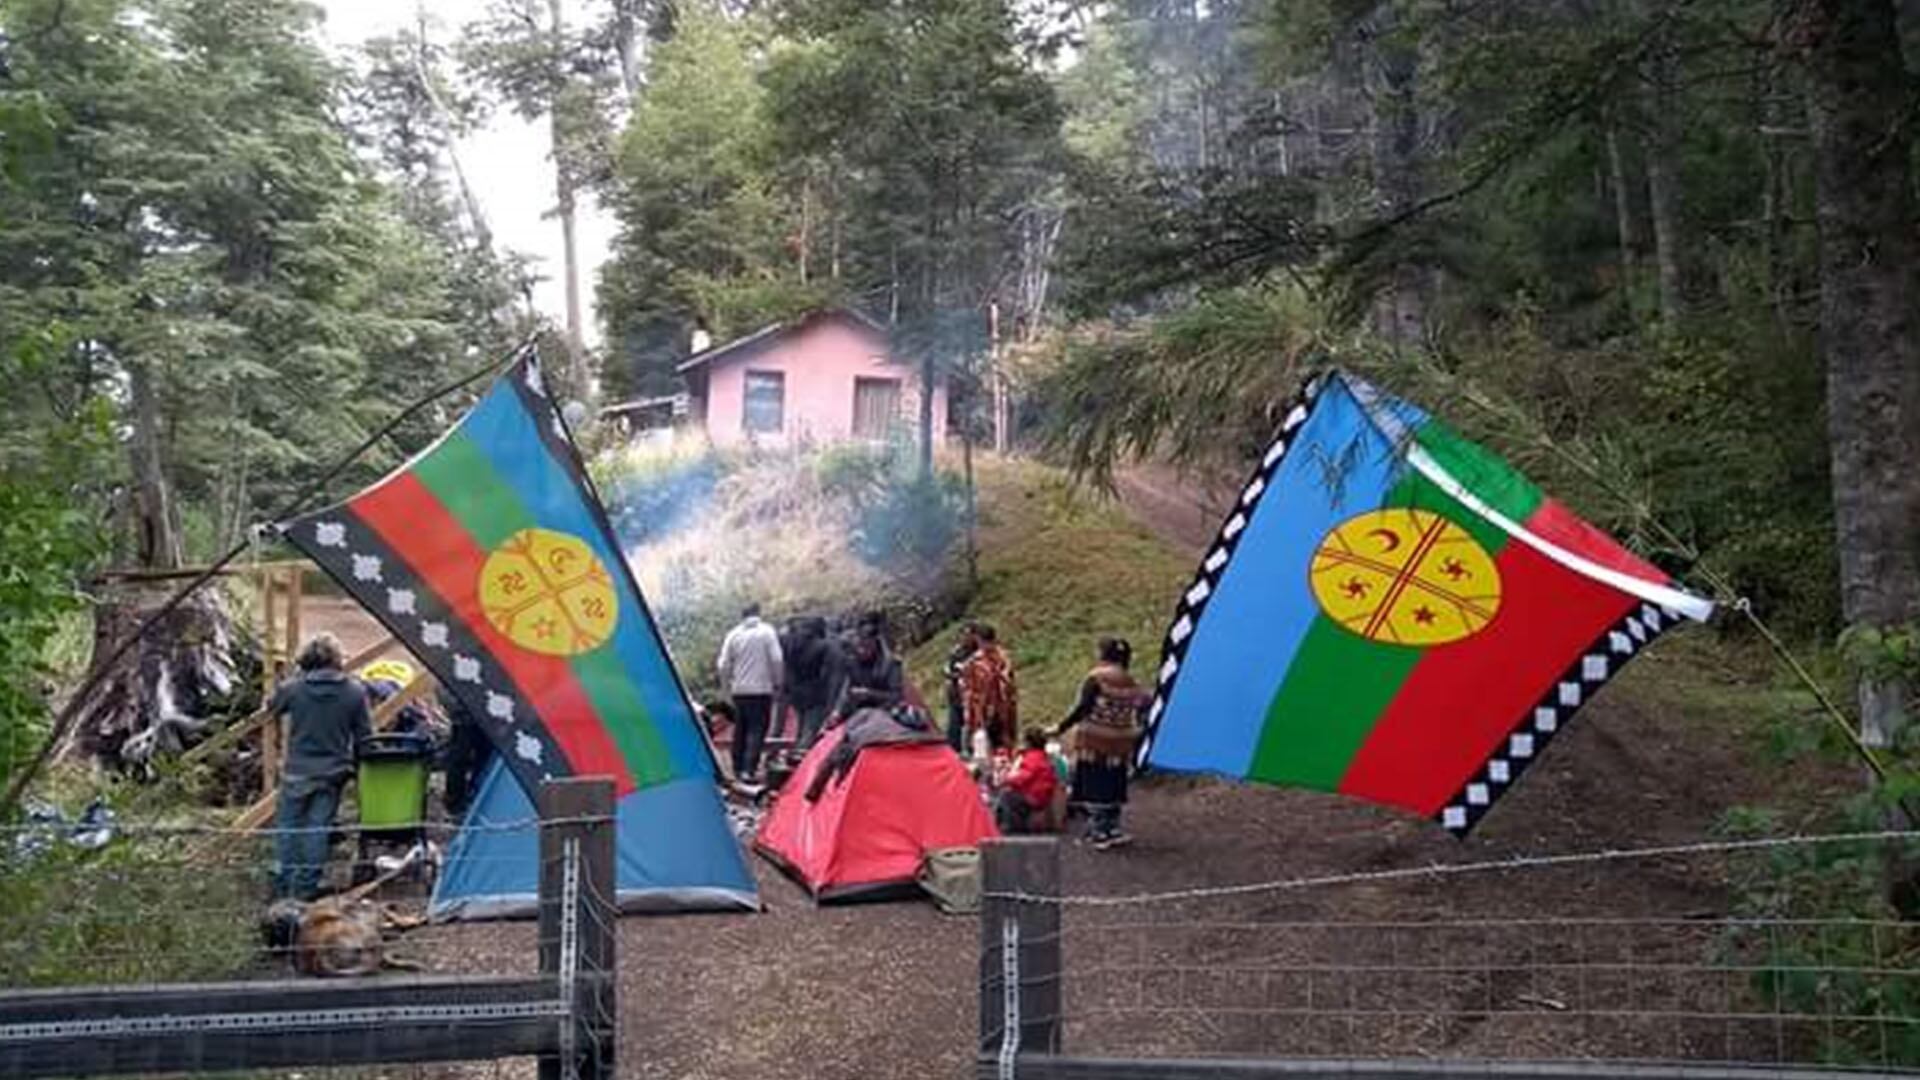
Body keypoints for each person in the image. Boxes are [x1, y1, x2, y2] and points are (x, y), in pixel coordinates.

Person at [270, 633, 373, 899]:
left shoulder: (293, 689)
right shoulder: (354, 691)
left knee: (288, 830)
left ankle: (282, 887)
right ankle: (305, 889)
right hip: (333, 773)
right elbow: (365, 737)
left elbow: (272, 708)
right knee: (318, 830)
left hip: (297, 771)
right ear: (337, 659)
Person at [1052, 637, 1148, 850]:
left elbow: (1083, 708)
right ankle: (1113, 829)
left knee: (1095, 784)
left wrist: (1060, 728)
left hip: (1096, 740)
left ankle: (1098, 832)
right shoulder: (1130, 680)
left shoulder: (1097, 678)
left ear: (1104, 654)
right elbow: (1144, 704)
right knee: (1114, 783)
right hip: (1121, 741)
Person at [717, 603, 783, 783]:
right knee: (757, 729)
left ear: (742, 615)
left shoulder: (733, 634)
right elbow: (777, 659)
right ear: (758, 614)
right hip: (761, 689)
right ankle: (749, 769)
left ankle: (736, 768)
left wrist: (726, 687)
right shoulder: (767, 631)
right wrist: (778, 682)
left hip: (739, 690)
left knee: (740, 728)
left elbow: (723, 665)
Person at [782, 616, 842, 752]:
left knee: (801, 726)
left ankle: (795, 755)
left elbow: (787, 667)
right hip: (815, 693)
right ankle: (800, 756)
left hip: (796, 692)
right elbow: (829, 672)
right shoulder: (823, 646)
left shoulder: (792, 643)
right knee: (810, 729)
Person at [960, 623, 1019, 755]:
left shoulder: (974, 663)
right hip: (1001, 712)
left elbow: (969, 693)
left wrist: (970, 717)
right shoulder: (1005, 659)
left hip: (987, 714)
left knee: (988, 752)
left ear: (978, 639)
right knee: (1003, 749)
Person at [437, 686, 492, 820]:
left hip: (483, 717)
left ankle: (476, 797)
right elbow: (442, 689)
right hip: (465, 716)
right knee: (459, 758)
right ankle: (455, 803)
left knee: (484, 759)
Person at [993, 727, 1059, 835]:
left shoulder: (1032, 757)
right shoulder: (1042, 756)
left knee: (1007, 797)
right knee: (1010, 796)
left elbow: (1022, 777)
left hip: (1033, 796)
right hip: (1041, 795)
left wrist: (1005, 779)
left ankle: (1014, 829)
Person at [833, 624, 903, 720]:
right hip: (860, 713)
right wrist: (837, 712)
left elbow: (896, 696)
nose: (862, 651)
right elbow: (844, 692)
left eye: (867, 646)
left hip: (886, 711)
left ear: (875, 644)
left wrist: (870, 694)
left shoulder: (891, 664)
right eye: (859, 647)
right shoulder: (851, 663)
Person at [942, 624, 979, 754]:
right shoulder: (956, 652)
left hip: (974, 693)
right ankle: (953, 749)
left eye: (969, 634)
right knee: (955, 722)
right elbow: (946, 669)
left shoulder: (978, 652)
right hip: (956, 691)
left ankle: (972, 748)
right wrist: (957, 675)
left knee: (973, 723)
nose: (966, 638)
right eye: (964, 635)